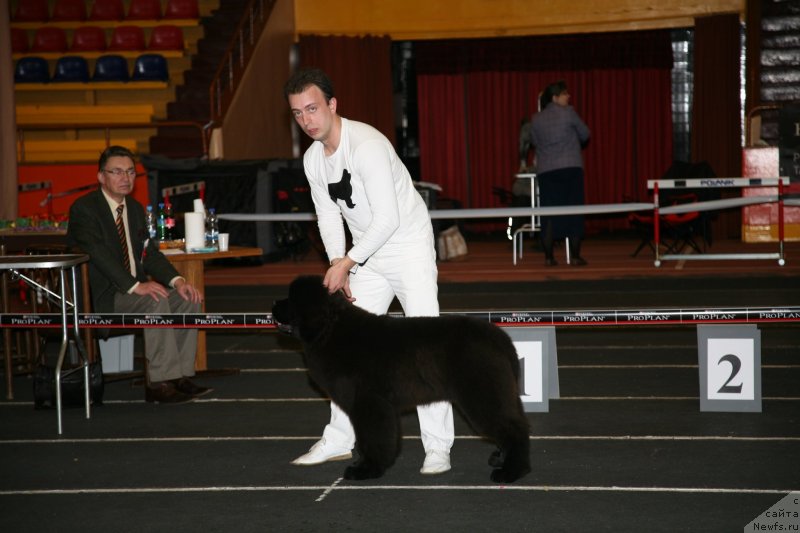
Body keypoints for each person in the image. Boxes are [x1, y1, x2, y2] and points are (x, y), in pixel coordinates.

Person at [283, 68, 455, 475]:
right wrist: (335, 262)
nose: (306, 120)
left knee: (424, 345)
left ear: (332, 105)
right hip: (367, 256)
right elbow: (327, 217)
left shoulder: (368, 146)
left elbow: (389, 218)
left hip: (407, 246)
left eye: (312, 108)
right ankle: (340, 439)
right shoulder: (312, 159)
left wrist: (347, 262)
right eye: (297, 113)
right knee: (345, 345)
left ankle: (437, 447)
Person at [67, 146, 210, 404]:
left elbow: (150, 254)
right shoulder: (84, 209)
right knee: (154, 300)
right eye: (117, 172)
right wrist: (135, 286)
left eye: (131, 172)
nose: (126, 178)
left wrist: (178, 281)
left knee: (189, 298)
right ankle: (158, 382)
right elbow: (99, 255)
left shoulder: (133, 208)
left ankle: (180, 376)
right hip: (103, 296)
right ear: (101, 177)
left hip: (133, 290)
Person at [530, 80, 591, 266]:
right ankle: (575, 256)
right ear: (555, 98)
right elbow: (585, 134)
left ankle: (549, 257)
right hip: (570, 168)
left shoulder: (536, 118)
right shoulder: (569, 113)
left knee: (548, 213)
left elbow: (535, 142)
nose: (568, 96)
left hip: (547, 171)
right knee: (574, 210)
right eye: (565, 94)